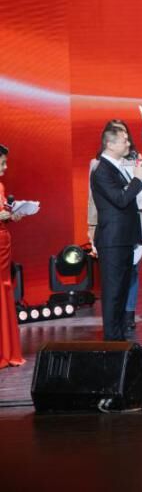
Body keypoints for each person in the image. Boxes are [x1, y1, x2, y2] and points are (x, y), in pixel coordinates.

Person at [87, 119, 142, 332]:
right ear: (110, 144)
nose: (128, 144)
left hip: (124, 239)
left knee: (122, 291)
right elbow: (120, 199)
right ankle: (112, 341)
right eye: (124, 141)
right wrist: (137, 181)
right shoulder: (102, 170)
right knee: (113, 293)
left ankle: (119, 340)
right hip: (113, 240)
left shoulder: (115, 167)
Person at [0, 144, 28, 367]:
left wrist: (11, 215)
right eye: (2, 163)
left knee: (4, 288)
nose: (5, 167)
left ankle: (7, 349)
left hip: (3, 244)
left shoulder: (0, 186)